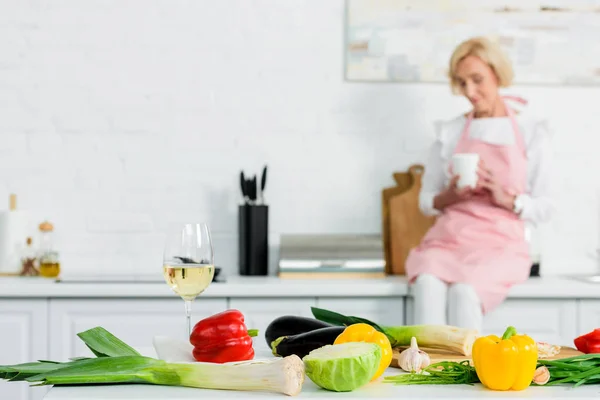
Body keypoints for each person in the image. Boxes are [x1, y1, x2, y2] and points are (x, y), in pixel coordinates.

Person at [405, 36, 554, 332]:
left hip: (501, 246)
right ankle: (423, 372)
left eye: (477, 80)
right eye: (462, 83)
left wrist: (508, 199)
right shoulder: (451, 131)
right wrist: (450, 195)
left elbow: (547, 206)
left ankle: (465, 374)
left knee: (464, 291)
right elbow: (426, 200)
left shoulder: (530, 132)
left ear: (497, 74)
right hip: (448, 240)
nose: (469, 92)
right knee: (426, 283)